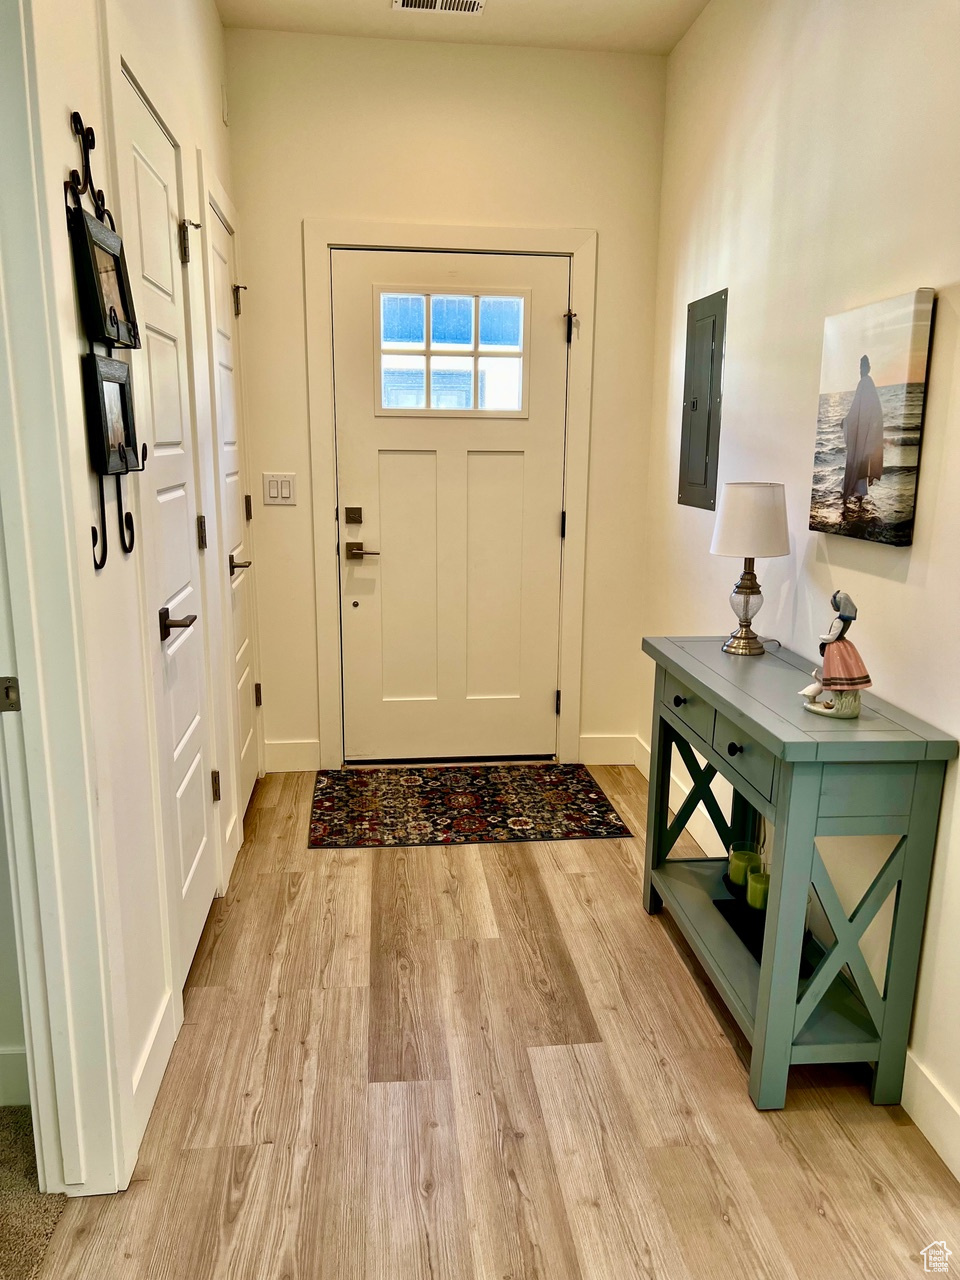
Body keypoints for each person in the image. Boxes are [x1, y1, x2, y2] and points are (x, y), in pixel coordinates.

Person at [841, 354, 884, 503]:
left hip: (863, 436)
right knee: (861, 465)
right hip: (865, 436)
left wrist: (846, 422)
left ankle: (852, 501)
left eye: (863, 367)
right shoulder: (868, 384)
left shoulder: (864, 383)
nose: (861, 369)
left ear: (868, 368)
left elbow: (857, 411)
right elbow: (866, 411)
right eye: (861, 367)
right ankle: (859, 502)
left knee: (857, 464)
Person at [818, 590, 871, 692]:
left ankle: (841, 691)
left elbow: (831, 637)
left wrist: (821, 637)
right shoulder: (847, 620)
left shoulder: (839, 621)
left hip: (835, 646)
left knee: (837, 668)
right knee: (845, 667)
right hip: (843, 644)